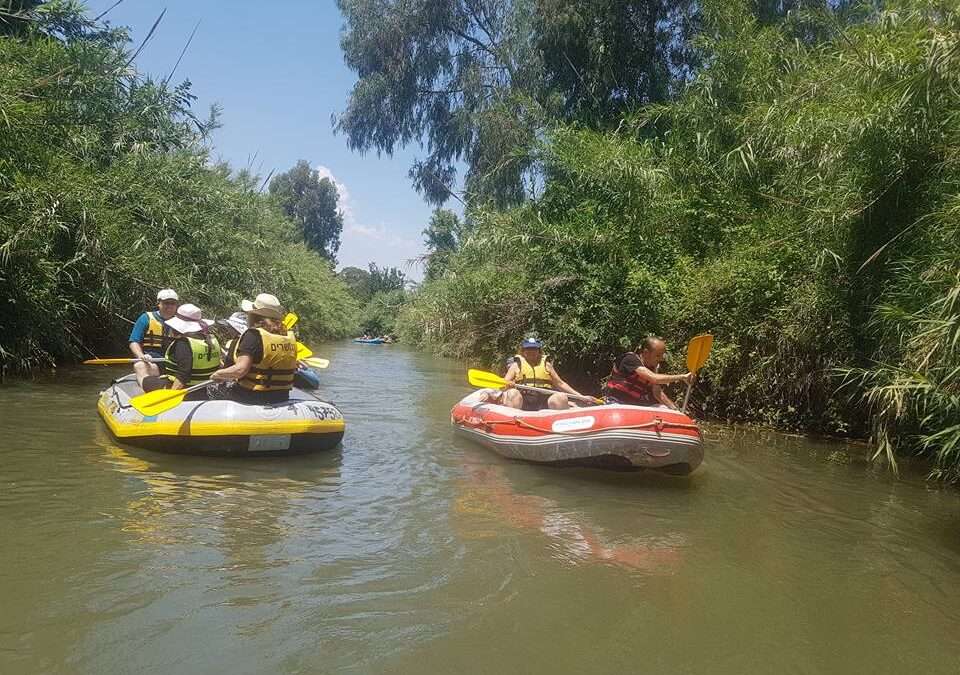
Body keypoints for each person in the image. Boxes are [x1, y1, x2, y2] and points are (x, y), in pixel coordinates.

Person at [210, 293, 297, 404]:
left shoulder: (253, 335)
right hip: (282, 397)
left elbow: (240, 370)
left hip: (252, 396)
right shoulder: (287, 336)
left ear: (254, 315)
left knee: (212, 390)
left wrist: (218, 374)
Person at [140, 304, 220, 400]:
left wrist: (171, 397)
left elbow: (183, 375)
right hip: (203, 388)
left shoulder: (183, 343)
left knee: (147, 380)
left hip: (187, 391)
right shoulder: (211, 339)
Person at [602, 336, 694, 409]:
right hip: (616, 402)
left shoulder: (652, 367)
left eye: (662, 355)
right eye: (658, 355)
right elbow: (654, 378)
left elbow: (657, 393)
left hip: (635, 406)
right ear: (646, 353)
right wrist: (683, 377)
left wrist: (675, 410)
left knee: (663, 408)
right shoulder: (630, 359)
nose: (661, 359)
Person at [501, 337, 584, 410]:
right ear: (523, 351)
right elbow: (502, 385)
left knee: (561, 396)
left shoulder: (547, 365)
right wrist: (508, 385)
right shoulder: (516, 365)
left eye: (534, 349)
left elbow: (560, 384)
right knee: (512, 393)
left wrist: (581, 396)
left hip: (544, 399)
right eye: (528, 349)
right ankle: (513, 424)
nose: (531, 351)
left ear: (539, 351)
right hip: (524, 399)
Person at [128, 288, 178, 387]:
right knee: (139, 366)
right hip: (153, 362)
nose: (169, 306)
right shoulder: (146, 318)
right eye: (166, 303)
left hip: (173, 364)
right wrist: (140, 356)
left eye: (173, 303)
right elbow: (134, 342)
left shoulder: (180, 322)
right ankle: (148, 392)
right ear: (159, 303)